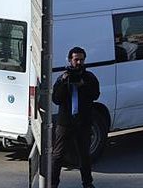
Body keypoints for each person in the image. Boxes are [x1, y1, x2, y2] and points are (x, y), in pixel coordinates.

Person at [51, 47, 100, 188]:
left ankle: (88, 183)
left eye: (81, 60)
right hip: (65, 122)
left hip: (83, 122)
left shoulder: (89, 77)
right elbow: (56, 99)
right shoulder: (63, 77)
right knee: (58, 155)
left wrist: (82, 85)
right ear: (70, 60)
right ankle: (53, 184)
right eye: (76, 59)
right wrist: (64, 83)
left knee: (84, 155)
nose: (78, 62)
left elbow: (95, 94)